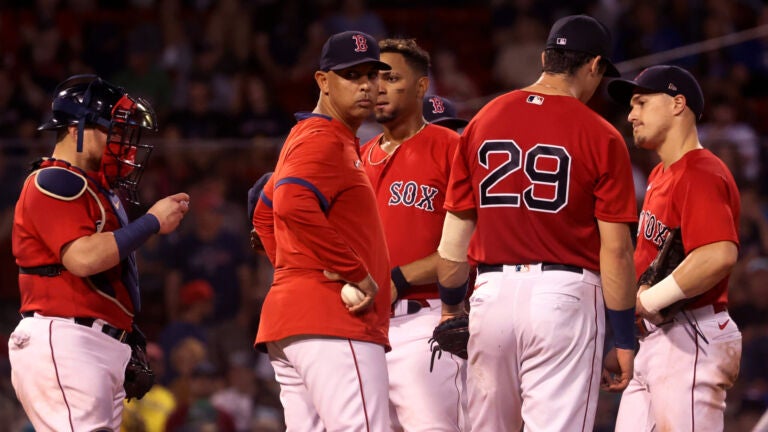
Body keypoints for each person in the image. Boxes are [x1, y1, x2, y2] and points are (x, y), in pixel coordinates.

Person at [435, 15, 639, 431]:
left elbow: (454, 239)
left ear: (545, 57)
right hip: (564, 297)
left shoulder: (483, 119)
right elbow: (615, 250)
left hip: (490, 294)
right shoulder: (602, 135)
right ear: (595, 66)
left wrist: (450, 305)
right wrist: (624, 337)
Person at [7, 74, 189, 432]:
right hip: (65, 336)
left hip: (87, 342)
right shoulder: (54, 180)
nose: (123, 143)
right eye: (113, 131)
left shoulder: (95, 188)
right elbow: (83, 258)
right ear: (76, 129)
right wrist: (152, 221)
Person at [251, 31, 392, 430]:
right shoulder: (323, 138)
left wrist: (295, 270)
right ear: (323, 81)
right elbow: (292, 203)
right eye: (351, 75)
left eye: (372, 75)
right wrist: (355, 272)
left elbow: (264, 212)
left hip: (296, 322)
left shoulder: (309, 137)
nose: (366, 85)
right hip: (332, 322)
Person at [607, 65, 742, 431]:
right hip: (659, 337)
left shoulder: (700, 172)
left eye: (641, 102)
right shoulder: (661, 174)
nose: (631, 114)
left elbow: (718, 254)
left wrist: (646, 302)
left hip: (691, 334)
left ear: (677, 104)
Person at [360, 38, 468, 430]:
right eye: (374, 78)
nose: (379, 87)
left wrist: (399, 279)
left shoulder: (451, 148)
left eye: (391, 78)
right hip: (365, 327)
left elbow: (471, 248)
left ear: (422, 87)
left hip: (427, 319)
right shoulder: (360, 155)